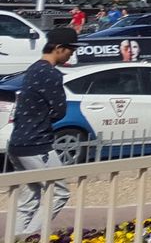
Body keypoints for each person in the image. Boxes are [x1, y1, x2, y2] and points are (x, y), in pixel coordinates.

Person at [11, 28, 76, 234]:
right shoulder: (51, 74)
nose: (72, 53)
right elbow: (60, 111)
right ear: (59, 48)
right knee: (60, 193)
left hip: (16, 144)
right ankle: (30, 237)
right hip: (38, 145)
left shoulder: (32, 69)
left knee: (28, 199)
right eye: (70, 49)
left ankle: (16, 238)